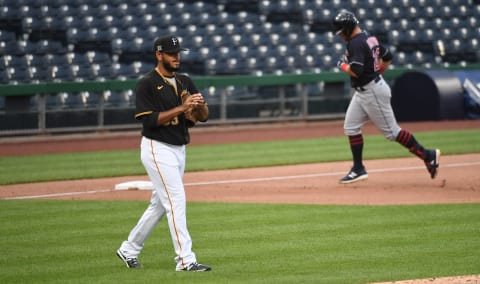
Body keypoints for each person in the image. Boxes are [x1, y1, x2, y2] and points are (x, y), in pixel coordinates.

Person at [116, 35, 211, 272]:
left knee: (159, 204)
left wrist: (198, 106)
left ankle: (129, 248)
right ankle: (185, 260)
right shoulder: (147, 83)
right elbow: (149, 121)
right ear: (159, 55)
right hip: (157, 148)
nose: (176, 57)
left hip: (179, 148)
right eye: (171, 53)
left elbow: (204, 117)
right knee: (176, 200)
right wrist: (182, 107)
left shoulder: (185, 81)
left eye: (178, 52)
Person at [332, 10, 440, 184]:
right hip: (367, 89)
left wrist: (342, 65)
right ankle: (358, 169)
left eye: (341, 31)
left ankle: (428, 155)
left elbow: (356, 71)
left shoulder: (356, 43)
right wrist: (376, 74)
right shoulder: (369, 37)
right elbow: (387, 57)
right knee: (351, 127)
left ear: (348, 27)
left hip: (371, 91)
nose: (340, 36)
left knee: (392, 132)